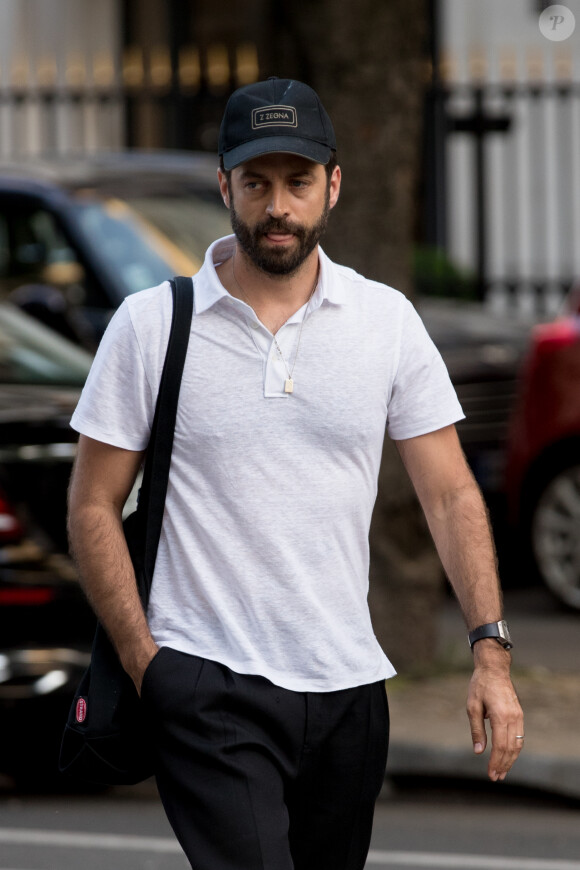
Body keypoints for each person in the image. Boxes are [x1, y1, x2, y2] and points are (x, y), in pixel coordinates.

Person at [67, 77, 524, 870]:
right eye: (256, 183)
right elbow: (92, 506)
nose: (277, 206)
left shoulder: (386, 322)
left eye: (297, 182)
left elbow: (450, 495)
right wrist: (149, 665)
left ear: (333, 186)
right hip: (206, 683)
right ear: (224, 186)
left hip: (349, 687)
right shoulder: (151, 325)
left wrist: (491, 655)